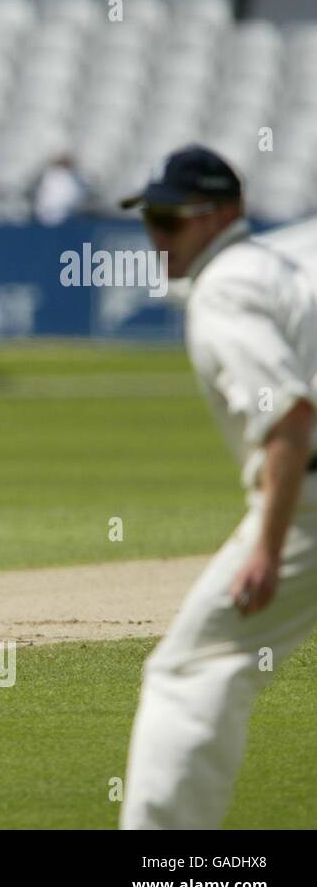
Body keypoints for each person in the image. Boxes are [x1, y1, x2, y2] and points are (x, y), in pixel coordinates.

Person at [118, 145, 317, 828]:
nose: (156, 238)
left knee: (191, 671)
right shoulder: (279, 264)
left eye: (169, 221)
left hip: (309, 505)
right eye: (150, 220)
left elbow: (289, 416)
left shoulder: (223, 289)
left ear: (220, 215)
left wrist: (268, 546)